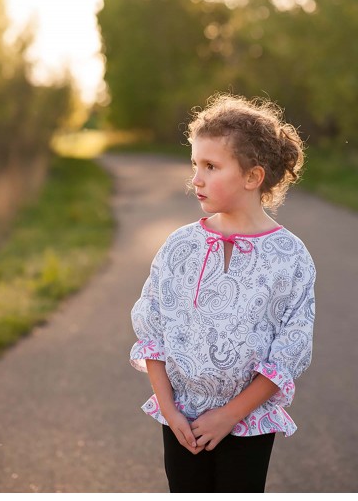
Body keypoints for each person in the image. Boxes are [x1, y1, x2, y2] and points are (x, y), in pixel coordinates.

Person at [129, 93, 316, 493]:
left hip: (246, 423)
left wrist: (230, 415)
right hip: (180, 418)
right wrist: (169, 408)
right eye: (195, 164)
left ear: (253, 177)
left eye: (211, 166)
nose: (196, 178)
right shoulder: (180, 246)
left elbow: (290, 347)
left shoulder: (290, 257)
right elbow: (153, 329)